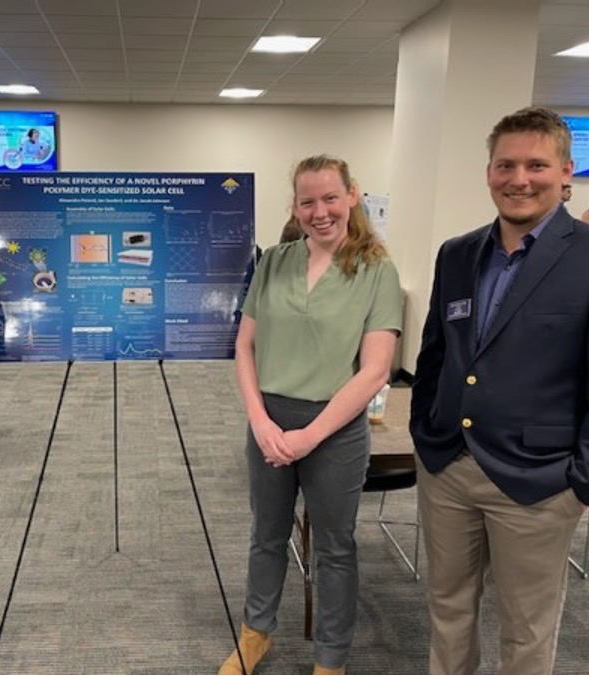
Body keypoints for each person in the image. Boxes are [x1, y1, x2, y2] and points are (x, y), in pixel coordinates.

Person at [410, 106, 589, 674]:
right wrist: (425, 430)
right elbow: (436, 353)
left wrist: (585, 483)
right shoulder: (457, 253)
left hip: (541, 479)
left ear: (566, 173)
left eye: (536, 164)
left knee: (526, 628)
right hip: (448, 466)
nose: (519, 178)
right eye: (506, 164)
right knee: (447, 608)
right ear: (488, 172)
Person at [221, 155, 402, 675]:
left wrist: (309, 437)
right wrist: (260, 422)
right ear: (295, 206)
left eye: (329, 198)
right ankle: (256, 634)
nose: (319, 212)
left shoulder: (376, 271)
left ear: (351, 195)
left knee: (335, 548)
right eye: (307, 201)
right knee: (266, 535)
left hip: (336, 428)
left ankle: (331, 658)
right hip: (269, 421)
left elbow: (374, 371)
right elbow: (245, 347)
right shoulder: (274, 261)